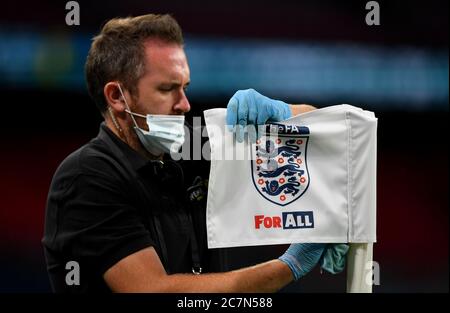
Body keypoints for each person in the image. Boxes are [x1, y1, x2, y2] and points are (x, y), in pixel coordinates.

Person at [42, 14, 341, 293]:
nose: (184, 104)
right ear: (117, 96)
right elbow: (151, 290)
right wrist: (289, 266)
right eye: (167, 89)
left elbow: (324, 128)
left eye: (184, 87)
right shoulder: (85, 178)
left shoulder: (189, 145)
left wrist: (283, 112)